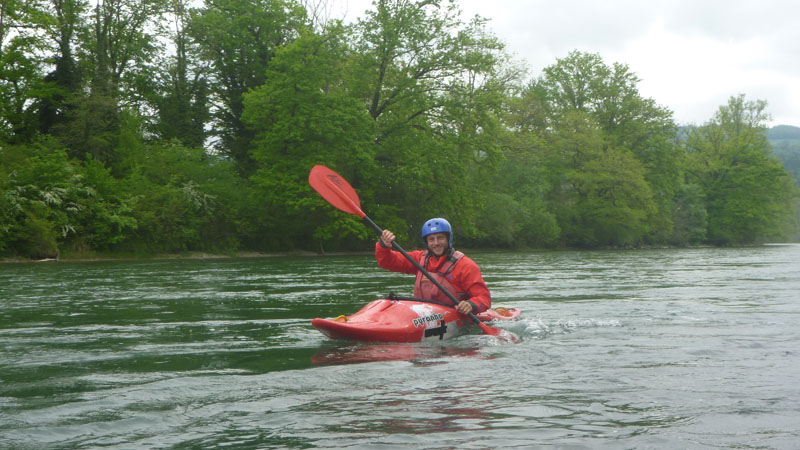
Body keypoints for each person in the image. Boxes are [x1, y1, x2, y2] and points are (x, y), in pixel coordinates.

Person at [375, 217, 491, 315]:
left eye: (440, 238)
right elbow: (388, 262)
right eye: (431, 239)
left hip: (454, 316)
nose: (436, 243)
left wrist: (471, 305)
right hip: (423, 314)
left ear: (448, 239)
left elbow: (484, 298)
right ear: (427, 242)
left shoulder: (465, 265)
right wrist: (383, 246)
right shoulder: (419, 259)